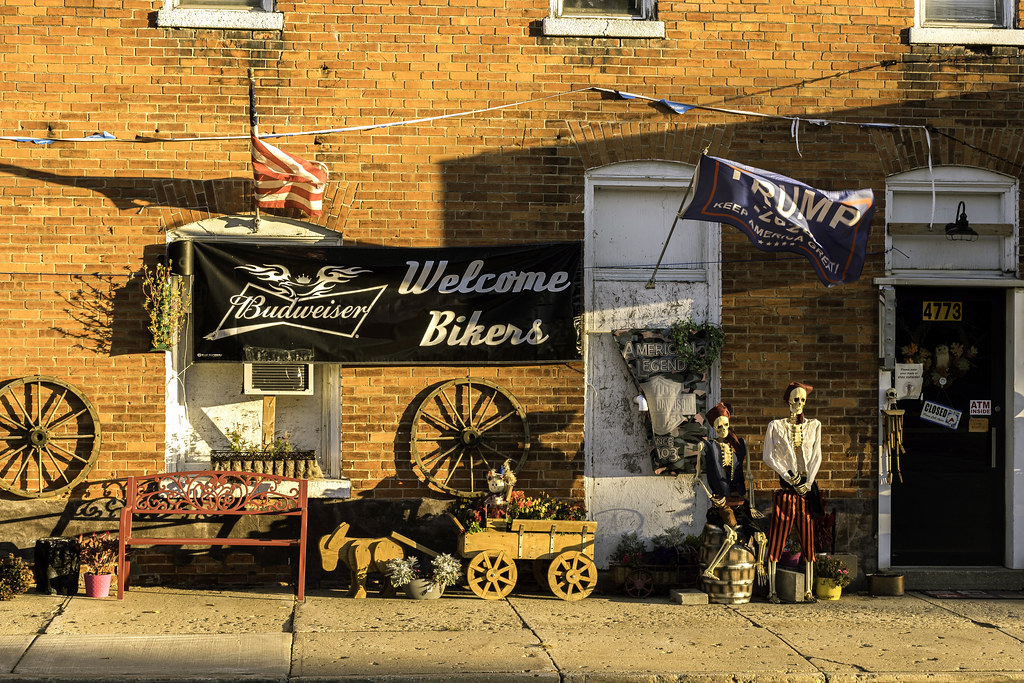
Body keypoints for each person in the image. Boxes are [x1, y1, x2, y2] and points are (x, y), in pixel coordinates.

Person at [762, 381, 822, 603]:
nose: (799, 404)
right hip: (787, 489)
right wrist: (788, 477)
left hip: (805, 489)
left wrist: (808, 483)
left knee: (808, 537)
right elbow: (768, 456)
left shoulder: (815, 425)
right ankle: (772, 590)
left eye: (803, 400)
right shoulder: (775, 426)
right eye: (796, 399)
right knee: (778, 534)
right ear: (788, 400)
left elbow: (817, 456)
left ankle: (808, 590)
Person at [697, 402, 767, 584]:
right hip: (722, 502)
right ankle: (710, 570)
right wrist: (711, 496)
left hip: (739, 501)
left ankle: (759, 565)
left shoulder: (738, 445)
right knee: (732, 534)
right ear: (713, 428)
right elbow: (698, 478)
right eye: (719, 427)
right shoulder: (708, 446)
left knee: (761, 536)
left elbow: (749, 475)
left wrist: (750, 504)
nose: (723, 429)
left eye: (726, 425)